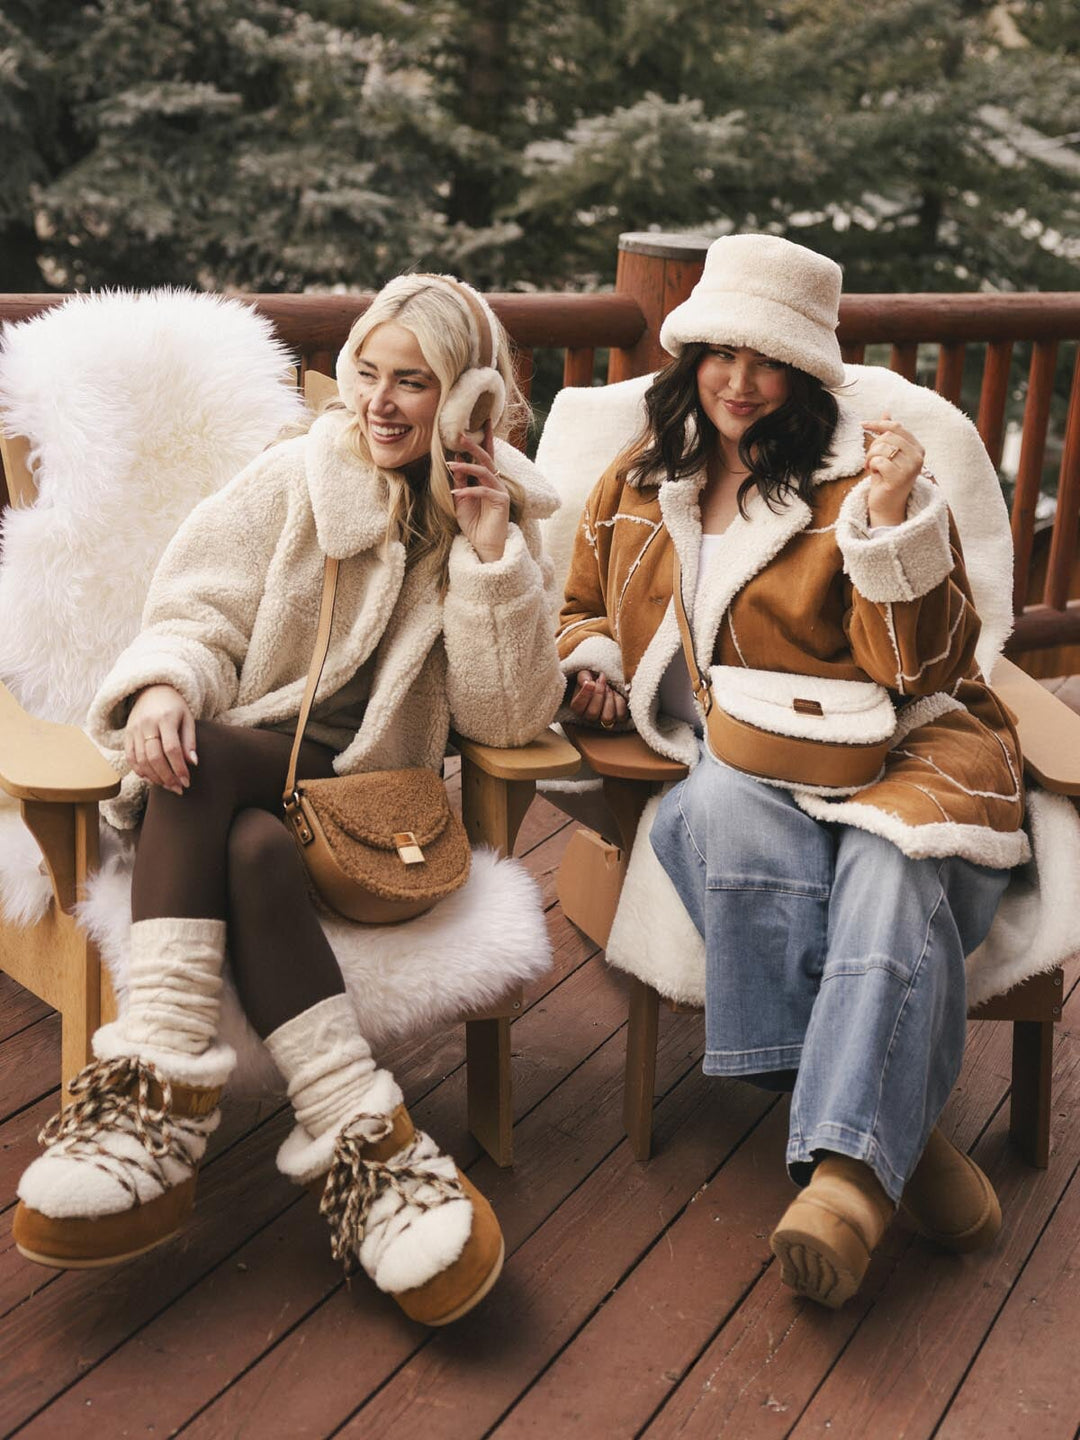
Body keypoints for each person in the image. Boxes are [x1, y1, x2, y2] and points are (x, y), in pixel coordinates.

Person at [13, 273, 565, 1327]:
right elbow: (198, 609)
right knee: (242, 828)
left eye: (415, 382)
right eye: (366, 372)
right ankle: (372, 1150)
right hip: (254, 787)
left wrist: (492, 558)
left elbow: (504, 719)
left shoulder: (492, 521)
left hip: (378, 816)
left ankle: (157, 1099)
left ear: (466, 399)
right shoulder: (292, 480)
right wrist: (171, 684)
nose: (381, 402)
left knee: (209, 774)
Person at [556, 234, 1028, 1309]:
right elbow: (582, 606)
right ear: (692, 356)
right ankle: (895, 1144)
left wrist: (891, 526)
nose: (738, 380)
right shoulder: (639, 483)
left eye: (767, 360)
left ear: (809, 372)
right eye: (721, 352)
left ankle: (849, 1186)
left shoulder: (859, 479)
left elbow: (931, 666)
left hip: (902, 751)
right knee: (712, 807)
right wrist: (590, 664)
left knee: (891, 857)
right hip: (742, 766)